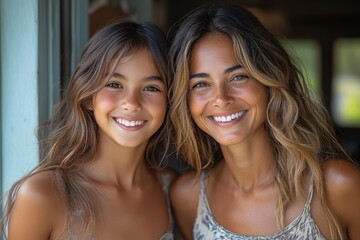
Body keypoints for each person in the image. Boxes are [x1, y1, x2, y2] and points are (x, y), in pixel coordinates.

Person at [169, 4, 360, 240]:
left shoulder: (337, 187)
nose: (221, 98)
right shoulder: (188, 197)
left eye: (239, 77)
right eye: (200, 84)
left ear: (268, 80)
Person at [1, 20, 176, 240]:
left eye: (151, 88)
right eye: (114, 84)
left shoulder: (169, 188)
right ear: (88, 97)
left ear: (169, 101)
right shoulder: (43, 196)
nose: (131, 103)